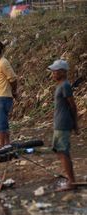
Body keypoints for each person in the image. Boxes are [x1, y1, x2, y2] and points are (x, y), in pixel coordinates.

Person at [48, 59, 79, 191]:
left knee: (63, 152)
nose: (53, 74)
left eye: (55, 71)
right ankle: (70, 178)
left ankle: (71, 182)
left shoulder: (65, 85)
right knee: (59, 151)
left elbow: (72, 105)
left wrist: (75, 123)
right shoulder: (60, 85)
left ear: (62, 72)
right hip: (59, 123)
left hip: (63, 123)